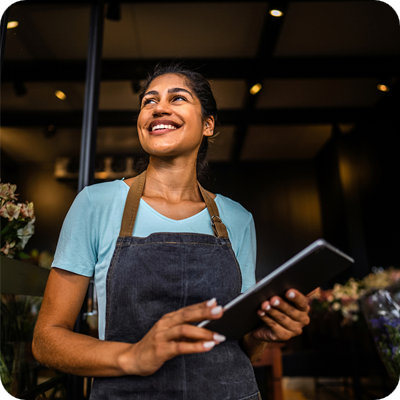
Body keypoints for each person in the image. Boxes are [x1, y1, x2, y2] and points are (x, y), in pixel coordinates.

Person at [32, 64, 311, 400]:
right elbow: (46, 340)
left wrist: (265, 334)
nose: (158, 108)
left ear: (208, 124)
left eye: (177, 98)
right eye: (149, 101)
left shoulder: (237, 219)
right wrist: (132, 356)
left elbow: (245, 350)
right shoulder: (96, 203)